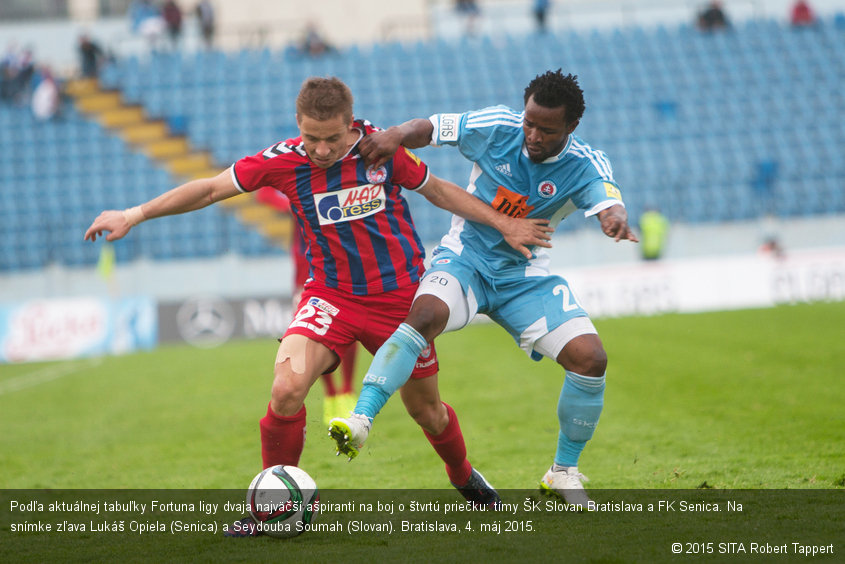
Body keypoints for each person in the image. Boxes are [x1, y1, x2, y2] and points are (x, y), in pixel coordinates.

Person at [83, 76, 551, 535]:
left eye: (331, 139)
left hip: (401, 303)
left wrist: (503, 225)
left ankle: (464, 477)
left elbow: (438, 190)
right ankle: (271, 505)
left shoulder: (381, 150)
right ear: (297, 124)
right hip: (331, 297)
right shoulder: (284, 161)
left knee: (427, 411)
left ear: (351, 125)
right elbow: (209, 189)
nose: (321, 150)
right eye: (311, 137)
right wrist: (133, 214)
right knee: (286, 387)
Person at [329, 69, 638, 506]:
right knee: (423, 316)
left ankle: (563, 473)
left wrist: (612, 216)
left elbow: (606, 195)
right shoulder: (497, 126)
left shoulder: (584, 163)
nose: (532, 135)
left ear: (571, 127)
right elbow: (432, 129)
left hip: (523, 278)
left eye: (547, 130)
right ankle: (361, 418)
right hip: (465, 259)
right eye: (529, 122)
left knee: (591, 359)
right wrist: (396, 134)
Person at [255, 186, 359, 426]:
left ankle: (346, 391)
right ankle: (331, 395)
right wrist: (297, 205)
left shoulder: (338, 181)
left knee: (350, 332)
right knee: (311, 337)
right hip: (305, 274)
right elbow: (264, 193)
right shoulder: (297, 177)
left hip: (340, 268)